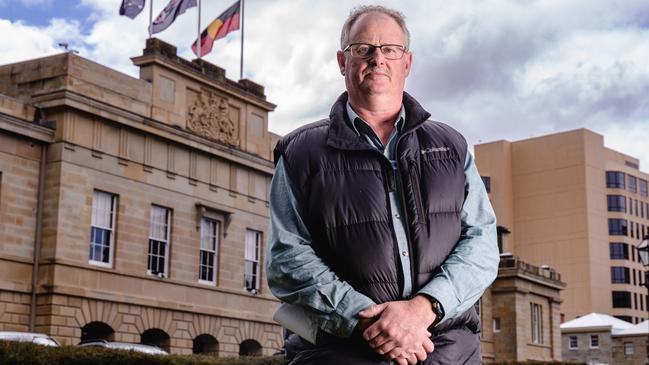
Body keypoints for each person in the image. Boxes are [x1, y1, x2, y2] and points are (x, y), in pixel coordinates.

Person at [266, 5, 499, 364]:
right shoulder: (300, 152)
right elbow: (287, 258)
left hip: (447, 353)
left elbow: (482, 245)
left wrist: (423, 310)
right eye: (363, 49)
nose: (378, 59)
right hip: (337, 353)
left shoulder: (452, 146)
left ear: (407, 63)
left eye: (390, 49)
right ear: (343, 62)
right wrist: (370, 322)